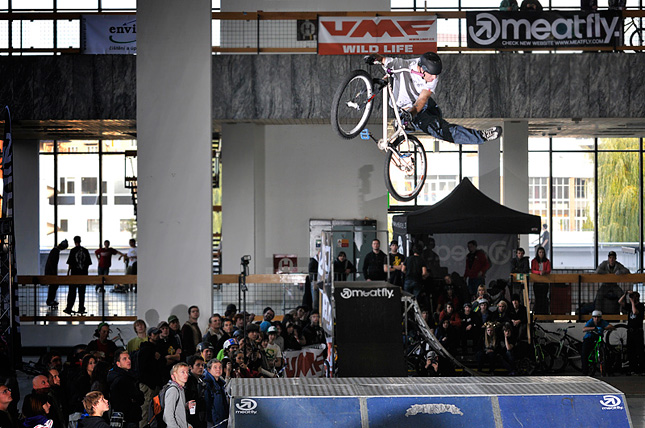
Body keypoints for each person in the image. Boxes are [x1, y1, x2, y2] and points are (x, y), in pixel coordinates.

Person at [364, 53, 502, 145]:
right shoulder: (400, 65)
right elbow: (381, 59)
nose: (434, 78)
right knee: (440, 129)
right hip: (406, 108)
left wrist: (413, 112)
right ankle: (481, 136)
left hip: (422, 103)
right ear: (421, 69)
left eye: (436, 75)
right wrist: (372, 57)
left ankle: (407, 125)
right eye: (432, 75)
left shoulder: (433, 76)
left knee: (437, 116)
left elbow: (423, 98)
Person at [107, 351, 144, 428]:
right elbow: (137, 397)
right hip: (129, 417)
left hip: (123, 417)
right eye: (124, 359)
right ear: (118, 363)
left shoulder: (117, 376)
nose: (128, 361)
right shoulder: (123, 379)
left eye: (129, 358)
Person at [64, 236, 92, 315]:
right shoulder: (85, 251)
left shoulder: (73, 251)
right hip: (83, 275)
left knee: (72, 292)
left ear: (74, 241)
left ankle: (69, 308)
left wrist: (68, 273)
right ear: (80, 241)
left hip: (74, 275)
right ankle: (81, 308)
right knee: (82, 292)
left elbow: (70, 264)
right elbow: (88, 263)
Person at [581, 310, 615, 375]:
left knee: (607, 353)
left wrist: (604, 328)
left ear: (600, 318)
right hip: (589, 339)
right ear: (593, 317)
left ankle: (609, 371)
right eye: (595, 317)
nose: (596, 319)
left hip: (598, 338)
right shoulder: (590, 322)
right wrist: (594, 328)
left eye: (598, 317)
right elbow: (584, 329)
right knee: (584, 354)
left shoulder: (602, 322)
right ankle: (585, 372)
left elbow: (611, 326)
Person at [618, 291, 644, 374]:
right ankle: (632, 368)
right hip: (630, 331)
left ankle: (641, 369)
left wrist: (632, 302)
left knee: (639, 350)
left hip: (638, 331)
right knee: (631, 350)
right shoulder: (630, 306)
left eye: (634, 297)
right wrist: (625, 294)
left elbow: (635, 312)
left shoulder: (641, 306)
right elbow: (620, 302)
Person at [163, 363, 192, 428]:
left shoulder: (180, 389)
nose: (186, 375)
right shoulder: (173, 390)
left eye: (187, 372)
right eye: (182, 372)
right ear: (174, 375)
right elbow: (168, 415)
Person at [203, 359, 228, 428]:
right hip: (214, 421)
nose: (218, 369)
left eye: (220, 367)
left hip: (222, 419)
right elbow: (207, 403)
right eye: (215, 367)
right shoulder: (207, 384)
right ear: (209, 370)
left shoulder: (220, 383)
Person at [45, 239, 68, 308]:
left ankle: (50, 300)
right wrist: (54, 273)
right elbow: (53, 263)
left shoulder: (54, 250)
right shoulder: (56, 251)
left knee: (53, 286)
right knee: (54, 286)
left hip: (50, 271)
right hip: (51, 272)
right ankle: (50, 300)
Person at [184, 356, 207, 428]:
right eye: (198, 365)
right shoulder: (187, 381)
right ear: (190, 367)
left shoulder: (200, 380)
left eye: (202, 365)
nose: (201, 367)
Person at [531, 246, 551, 315]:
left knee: (544, 298)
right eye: (540, 252)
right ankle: (537, 313)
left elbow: (549, 270)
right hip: (537, 282)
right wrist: (539, 272)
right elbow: (532, 270)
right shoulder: (534, 261)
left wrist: (544, 272)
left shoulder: (547, 261)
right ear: (537, 253)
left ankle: (544, 313)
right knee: (537, 298)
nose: (541, 254)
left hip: (544, 282)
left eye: (542, 252)